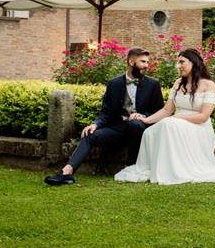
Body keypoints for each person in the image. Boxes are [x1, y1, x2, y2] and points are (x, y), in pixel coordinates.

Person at [114, 48, 215, 185]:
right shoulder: (178, 83)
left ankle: (176, 171)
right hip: (175, 124)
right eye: (177, 62)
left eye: (182, 62)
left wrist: (176, 118)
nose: (178, 66)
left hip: (198, 127)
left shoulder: (209, 85)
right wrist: (145, 119)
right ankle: (156, 168)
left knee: (168, 124)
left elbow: (203, 117)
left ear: (194, 63)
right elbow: (167, 110)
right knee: (149, 132)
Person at [44, 47, 163, 185]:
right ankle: (67, 172)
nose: (146, 65)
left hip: (139, 129)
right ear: (131, 62)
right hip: (117, 128)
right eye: (143, 62)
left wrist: (141, 116)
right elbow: (106, 112)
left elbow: (158, 111)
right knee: (89, 134)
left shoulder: (153, 84)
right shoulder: (114, 83)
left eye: (147, 62)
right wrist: (95, 124)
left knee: (134, 124)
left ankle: (132, 168)